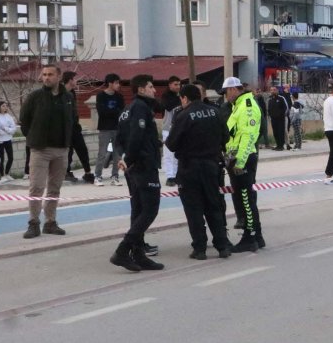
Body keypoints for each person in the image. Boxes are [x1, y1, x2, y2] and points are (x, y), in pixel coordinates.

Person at [165, 84, 232, 260]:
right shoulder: (215, 112)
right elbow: (226, 137)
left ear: (185, 98)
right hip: (212, 166)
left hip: (189, 167)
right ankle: (222, 246)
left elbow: (171, 144)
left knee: (194, 209)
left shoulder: (183, 115)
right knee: (214, 206)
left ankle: (200, 249)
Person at [110, 75, 164, 271]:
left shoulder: (126, 109)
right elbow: (136, 136)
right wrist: (130, 159)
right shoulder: (140, 107)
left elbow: (118, 139)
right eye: (151, 87)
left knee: (138, 210)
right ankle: (123, 250)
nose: (154, 90)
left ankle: (138, 253)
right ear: (141, 89)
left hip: (132, 166)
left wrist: (124, 158)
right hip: (143, 165)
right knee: (150, 209)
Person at [21, 63, 75, 239]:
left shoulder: (67, 97)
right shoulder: (35, 97)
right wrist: (34, 138)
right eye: (44, 74)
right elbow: (25, 121)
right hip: (40, 149)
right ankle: (33, 223)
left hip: (61, 149)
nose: (46, 78)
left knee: (54, 188)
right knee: (36, 187)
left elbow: (72, 120)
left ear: (59, 77)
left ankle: (50, 222)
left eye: (50, 74)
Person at [223, 77, 264, 252]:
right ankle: (258, 236)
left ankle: (250, 237)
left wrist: (240, 161)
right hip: (236, 159)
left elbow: (248, 135)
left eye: (226, 92)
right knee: (243, 198)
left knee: (246, 200)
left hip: (243, 160)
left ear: (233, 90)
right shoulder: (238, 106)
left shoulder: (247, 106)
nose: (226, 96)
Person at [62, 72, 94, 184]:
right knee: (68, 151)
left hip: (75, 126)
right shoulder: (60, 93)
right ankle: (66, 172)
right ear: (70, 80)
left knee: (82, 149)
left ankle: (88, 173)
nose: (76, 82)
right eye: (74, 79)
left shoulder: (72, 92)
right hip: (65, 128)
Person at [94, 73, 125, 186]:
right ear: (110, 83)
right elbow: (102, 112)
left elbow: (122, 111)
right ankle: (97, 176)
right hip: (104, 128)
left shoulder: (119, 96)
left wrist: (112, 112)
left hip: (117, 128)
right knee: (102, 153)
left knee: (117, 154)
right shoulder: (101, 96)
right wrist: (114, 112)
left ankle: (115, 176)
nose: (118, 85)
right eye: (116, 83)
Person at [0, 101, 18, 181]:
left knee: (11, 157)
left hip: (8, 139)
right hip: (0, 140)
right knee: (1, 158)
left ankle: (7, 173)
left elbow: (13, 128)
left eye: (6, 106)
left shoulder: (8, 116)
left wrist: (6, 129)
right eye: (3, 106)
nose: (5, 107)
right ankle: (2, 175)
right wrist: (6, 130)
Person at [267, 84, 289, 151]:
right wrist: (270, 115)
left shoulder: (281, 98)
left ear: (277, 90)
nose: (272, 91)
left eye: (274, 90)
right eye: (271, 90)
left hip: (280, 119)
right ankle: (277, 145)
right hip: (273, 119)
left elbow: (286, 108)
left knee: (280, 132)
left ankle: (281, 146)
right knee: (275, 132)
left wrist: (281, 115)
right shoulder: (270, 99)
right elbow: (269, 109)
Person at [253, 83, 271, 149]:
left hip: (263, 116)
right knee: (259, 131)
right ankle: (256, 142)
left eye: (259, 91)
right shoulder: (254, 99)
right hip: (258, 117)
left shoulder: (261, 98)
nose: (259, 93)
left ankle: (267, 144)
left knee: (264, 130)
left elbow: (264, 107)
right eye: (257, 92)